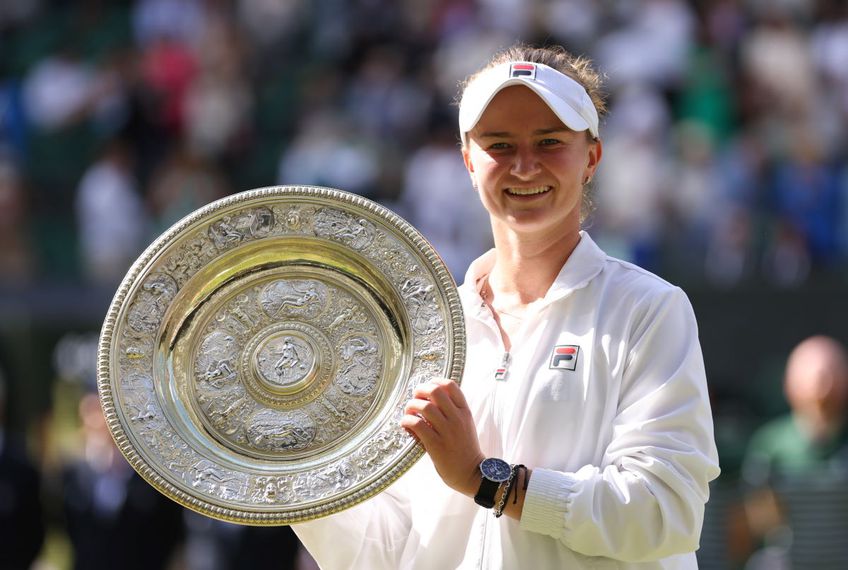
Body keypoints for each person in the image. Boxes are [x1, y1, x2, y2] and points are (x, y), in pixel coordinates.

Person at [292, 43, 720, 569]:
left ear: (591, 156)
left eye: (549, 142)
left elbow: (664, 513)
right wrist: (290, 471)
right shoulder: (429, 332)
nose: (523, 165)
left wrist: (487, 480)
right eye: (499, 144)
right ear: (469, 161)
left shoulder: (650, 311)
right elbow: (389, 551)